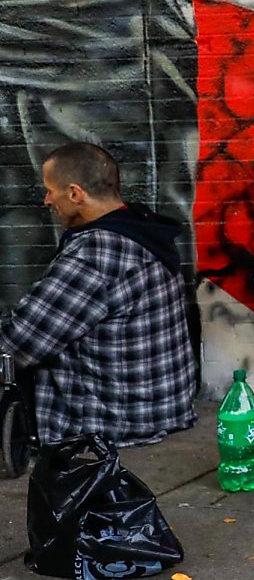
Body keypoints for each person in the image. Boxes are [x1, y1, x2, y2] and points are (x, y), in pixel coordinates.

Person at [0, 142, 195, 447]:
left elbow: (18, 344)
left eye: (51, 190)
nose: (46, 200)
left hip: (114, 421)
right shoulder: (141, 228)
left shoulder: (96, 253)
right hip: (162, 408)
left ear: (75, 194)